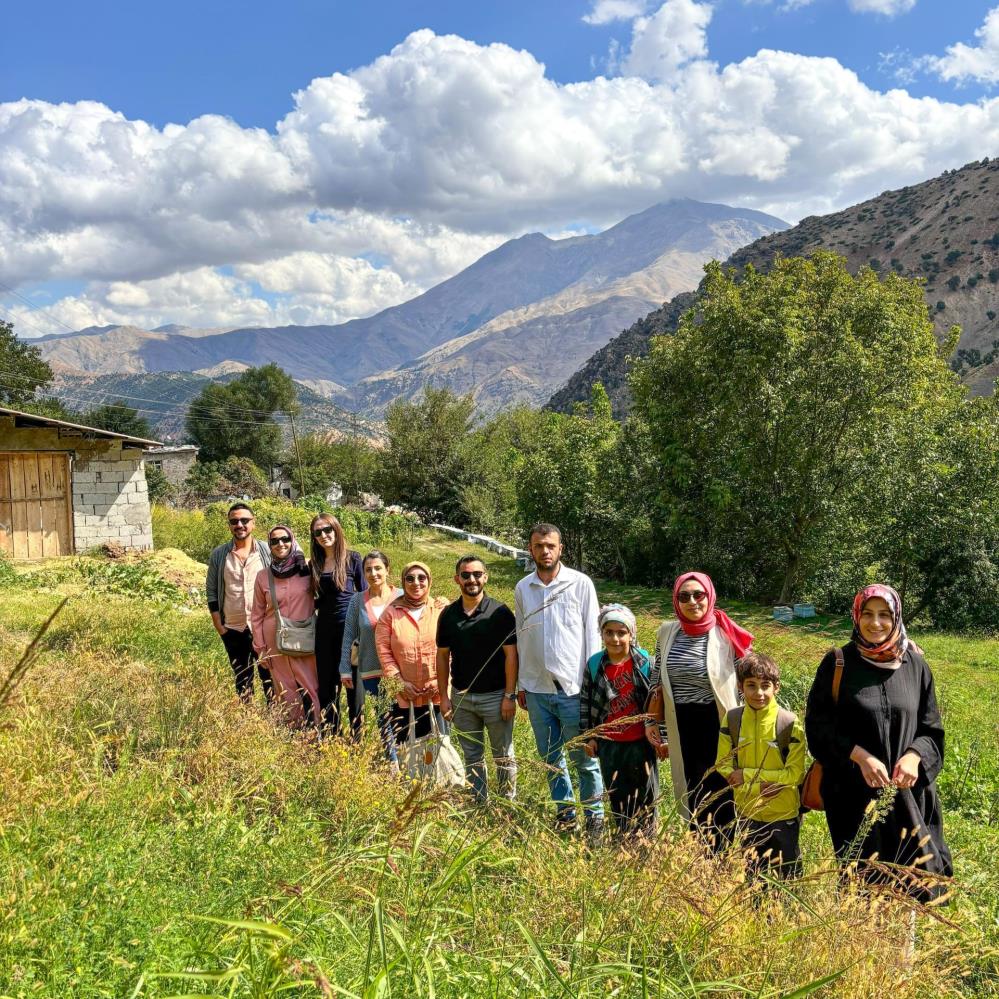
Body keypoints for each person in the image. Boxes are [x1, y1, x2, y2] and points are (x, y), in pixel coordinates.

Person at [805, 584, 952, 902]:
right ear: (856, 616)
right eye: (868, 614)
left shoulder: (916, 666)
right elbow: (818, 727)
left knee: (911, 883)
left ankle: (903, 953)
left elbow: (932, 730)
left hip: (908, 798)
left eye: (884, 615)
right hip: (854, 800)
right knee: (862, 887)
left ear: (896, 617)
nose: (875, 623)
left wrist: (914, 756)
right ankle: (861, 949)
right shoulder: (837, 663)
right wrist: (858, 756)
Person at [645, 572, 753, 847]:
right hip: (681, 722)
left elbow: (752, 675)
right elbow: (656, 679)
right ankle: (699, 850)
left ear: (709, 596)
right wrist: (652, 723)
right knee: (691, 785)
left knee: (721, 785)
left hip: (718, 722)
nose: (692, 601)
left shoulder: (725, 632)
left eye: (698, 595)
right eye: (684, 596)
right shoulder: (667, 632)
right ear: (676, 600)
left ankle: (724, 848)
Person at [515, 523, 604, 838]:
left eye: (550, 545)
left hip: (574, 690)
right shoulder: (523, 587)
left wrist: (592, 686)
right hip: (537, 691)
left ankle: (595, 818)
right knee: (551, 759)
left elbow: (592, 637)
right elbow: (523, 637)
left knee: (585, 759)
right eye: (539, 545)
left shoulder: (580, 584)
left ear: (560, 548)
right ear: (531, 549)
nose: (545, 551)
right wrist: (521, 685)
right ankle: (565, 814)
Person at [715, 651, 806, 880]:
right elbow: (723, 766)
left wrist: (746, 775)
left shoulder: (789, 723)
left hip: (783, 814)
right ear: (740, 687)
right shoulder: (732, 720)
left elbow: (795, 774)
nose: (759, 693)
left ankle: (789, 916)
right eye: (751, 685)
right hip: (748, 813)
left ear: (777, 687)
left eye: (765, 685)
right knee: (754, 879)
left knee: (789, 877)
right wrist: (758, 786)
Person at [437, 555, 518, 803]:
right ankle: (479, 801)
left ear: (485, 577)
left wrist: (509, 695)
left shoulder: (501, 613)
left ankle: (507, 802)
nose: (471, 580)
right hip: (461, 698)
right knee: (472, 755)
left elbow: (511, 656)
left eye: (476, 574)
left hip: (495, 697)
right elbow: (442, 657)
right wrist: (444, 697)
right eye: (465, 575)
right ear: (457, 579)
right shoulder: (448, 615)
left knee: (502, 755)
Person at [580, 604, 658, 842]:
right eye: (609, 632)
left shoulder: (645, 663)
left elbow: (657, 704)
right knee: (617, 794)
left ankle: (647, 842)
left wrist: (659, 738)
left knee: (646, 795)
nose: (615, 638)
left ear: (631, 634)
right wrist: (589, 736)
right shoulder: (595, 665)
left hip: (640, 743)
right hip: (610, 744)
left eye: (621, 632)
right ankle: (623, 839)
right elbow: (585, 703)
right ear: (601, 634)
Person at [251, 525, 321, 727]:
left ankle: (317, 731)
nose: (280, 544)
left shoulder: (308, 568)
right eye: (274, 541)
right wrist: (261, 648)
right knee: (285, 688)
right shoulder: (263, 576)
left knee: (311, 686)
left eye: (285, 539)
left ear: (292, 540)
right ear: (269, 545)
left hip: (305, 637)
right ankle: (293, 733)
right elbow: (257, 614)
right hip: (275, 641)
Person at [375, 561, 449, 748]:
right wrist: (399, 683)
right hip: (403, 697)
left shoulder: (441, 610)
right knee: (408, 751)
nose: (416, 583)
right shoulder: (390, 614)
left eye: (421, 578)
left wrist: (440, 682)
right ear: (403, 582)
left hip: (437, 694)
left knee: (439, 749)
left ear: (429, 580)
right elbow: (384, 653)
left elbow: (453, 652)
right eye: (410, 578)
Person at [339, 550, 402, 766]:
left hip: (401, 670)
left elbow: (426, 608)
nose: (373, 573)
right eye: (368, 569)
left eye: (378, 568)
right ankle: (393, 763)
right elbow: (349, 634)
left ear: (387, 570)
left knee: (403, 716)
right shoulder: (357, 600)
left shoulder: (402, 596)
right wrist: (345, 668)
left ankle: (409, 761)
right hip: (371, 670)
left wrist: (440, 602)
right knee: (384, 718)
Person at [205, 503, 273, 702]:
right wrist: (220, 626)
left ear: (254, 523)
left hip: (263, 628)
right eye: (234, 521)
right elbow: (211, 591)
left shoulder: (266, 551)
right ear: (229, 526)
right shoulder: (219, 554)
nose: (240, 525)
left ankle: (275, 723)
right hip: (233, 629)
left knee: (270, 678)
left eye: (245, 520)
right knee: (242, 680)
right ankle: (246, 721)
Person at [310, 513, 366, 736]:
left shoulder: (353, 559)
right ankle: (331, 736)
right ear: (313, 537)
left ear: (336, 530)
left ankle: (356, 739)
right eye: (318, 532)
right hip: (324, 631)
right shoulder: (313, 564)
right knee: (327, 686)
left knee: (353, 687)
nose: (324, 535)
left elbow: (365, 595)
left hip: (350, 630)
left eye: (327, 530)